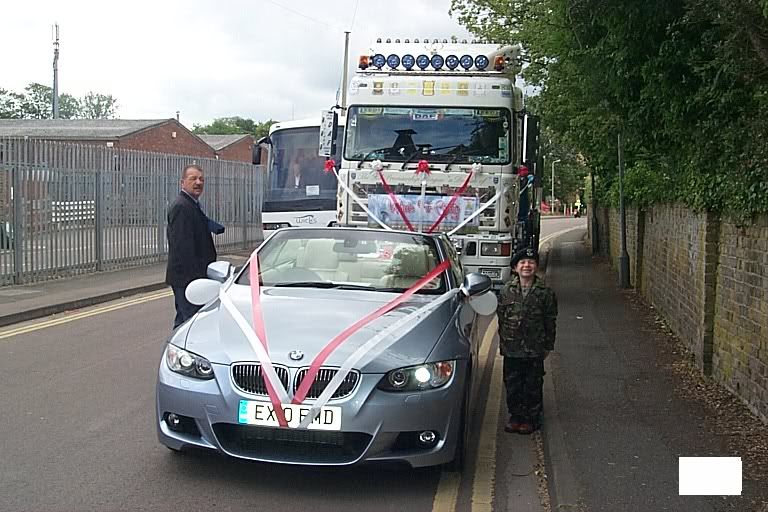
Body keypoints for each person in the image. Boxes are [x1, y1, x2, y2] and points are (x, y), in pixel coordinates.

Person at [497, 247, 558, 434]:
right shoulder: (507, 290)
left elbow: (550, 320)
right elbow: (501, 317)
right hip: (512, 347)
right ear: (515, 267)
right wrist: (504, 342)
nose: (527, 266)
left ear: (536, 266)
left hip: (534, 347)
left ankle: (531, 419)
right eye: (522, 263)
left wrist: (548, 345)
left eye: (530, 263)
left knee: (532, 384)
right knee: (513, 384)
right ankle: (515, 416)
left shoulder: (545, 292)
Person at [165, 164, 217, 328]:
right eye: (193, 178)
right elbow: (182, 248)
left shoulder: (191, 204)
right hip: (187, 279)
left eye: (201, 179)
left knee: (185, 322)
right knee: (189, 324)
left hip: (191, 278)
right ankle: (177, 352)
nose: (198, 182)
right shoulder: (182, 207)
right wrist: (197, 279)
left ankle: (177, 351)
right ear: (182, 183)